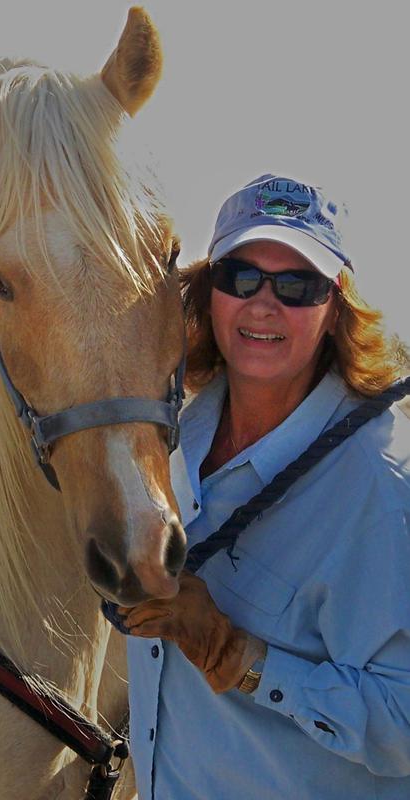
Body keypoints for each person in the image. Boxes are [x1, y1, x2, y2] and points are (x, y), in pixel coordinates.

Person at [120, 174, 410, 799]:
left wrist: (240, 658)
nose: (263, 303)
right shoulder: (174, 434)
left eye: (297, 285)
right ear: (207, 293)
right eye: (241, 277)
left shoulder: (384, 488)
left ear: (335, 309)